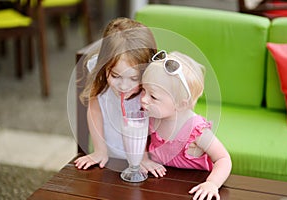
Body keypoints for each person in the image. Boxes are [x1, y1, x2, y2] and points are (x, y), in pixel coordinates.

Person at [74, 18, 166, 177]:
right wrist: (100, 151)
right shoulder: (100, 74)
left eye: (134, 79)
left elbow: (154, 123)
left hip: (144, 158)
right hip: (111, 157)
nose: (124, 86)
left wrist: (143, 157)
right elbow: (94, 111)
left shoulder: (151, 86)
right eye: (116, 75)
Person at [140, 50, 232, 200]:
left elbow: (223, 159)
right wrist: (143, 159)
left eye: (153, 96)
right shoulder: (153, 116)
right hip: (158, 187)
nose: (143, 99)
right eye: (143, 90)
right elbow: (140, 141)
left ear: (181, 104)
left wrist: (212, 184)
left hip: (192, 188)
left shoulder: (196, 130)